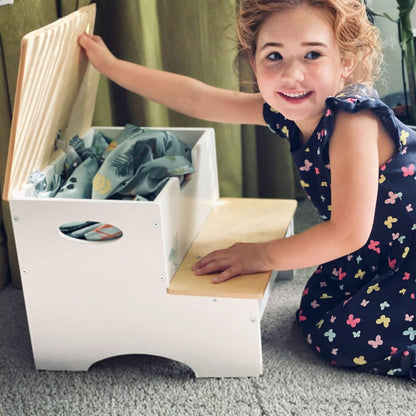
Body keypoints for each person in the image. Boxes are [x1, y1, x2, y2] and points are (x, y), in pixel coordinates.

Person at [79, 0, 416, 380]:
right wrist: (110, 66)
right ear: (253, 64)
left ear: (345, 63)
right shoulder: (287, 110)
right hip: (382, 248)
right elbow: (197, 97)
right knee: (317, 312)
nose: (292, 74)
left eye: (312, 54)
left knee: (342, 338)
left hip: (404, 245)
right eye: (274, 56)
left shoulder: (354, 119)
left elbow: (348, 233)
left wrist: (261, 256)